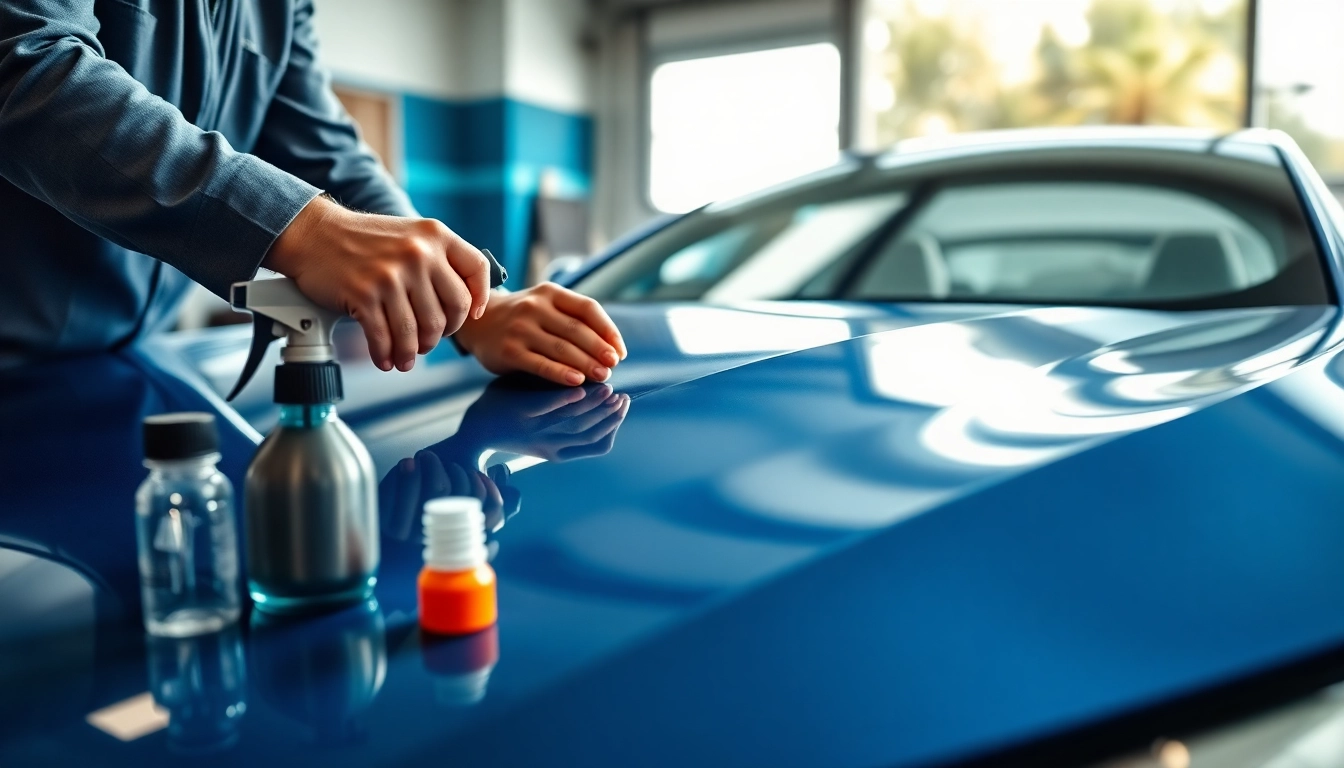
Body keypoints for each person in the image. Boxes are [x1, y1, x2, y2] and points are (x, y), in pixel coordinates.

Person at [0, 0, 626, 385]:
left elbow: (325, 148)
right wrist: (311, 231)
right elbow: (29, 70)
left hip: (128, 366)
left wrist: (471, 306)